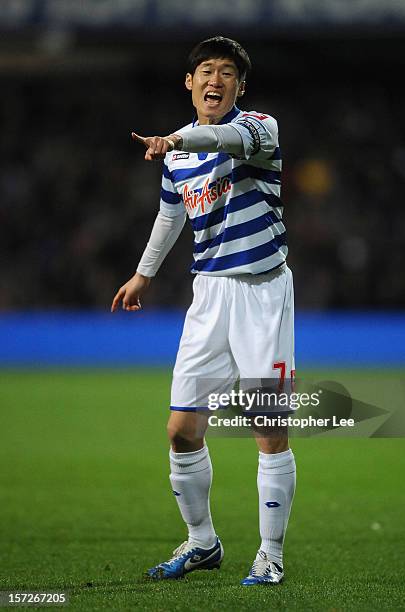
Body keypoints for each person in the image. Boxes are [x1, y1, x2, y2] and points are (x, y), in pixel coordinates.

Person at [111, 36, 296, 586]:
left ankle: (270, 555)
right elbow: (170, 216)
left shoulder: (259, 129)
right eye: (205, 71)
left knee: (267, 426)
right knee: (181, 429)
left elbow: (217, 137)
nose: (215, 80)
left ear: (240, 86)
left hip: (263, 292)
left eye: (227, 73)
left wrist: (173, 138)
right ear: (189, 83)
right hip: (209, 294)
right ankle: (202, 543)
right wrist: (144, 273)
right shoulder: (178, 156)